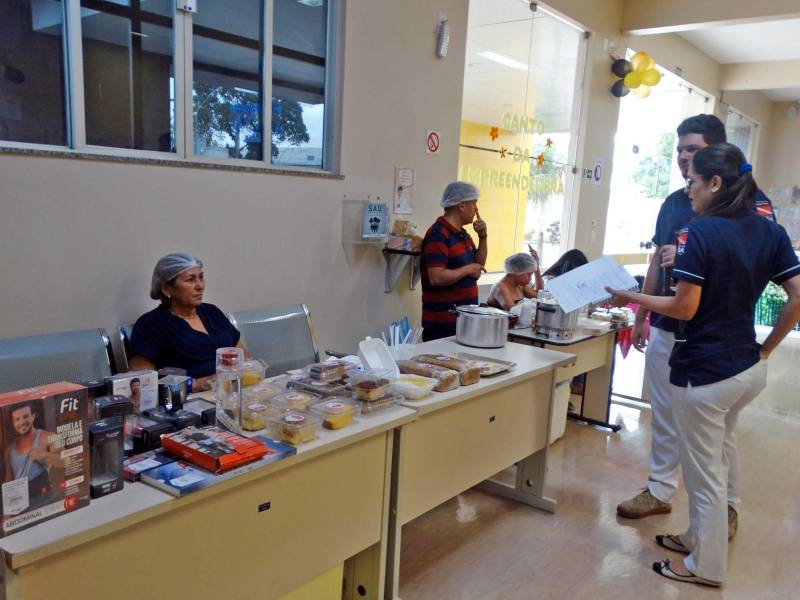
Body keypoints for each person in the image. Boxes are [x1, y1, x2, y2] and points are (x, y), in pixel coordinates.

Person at [607, 143, 800, 586]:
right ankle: (697, 537)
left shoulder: (699, 233)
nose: (688, 189)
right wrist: (767, 348)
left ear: (715, 183)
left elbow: (683, 308)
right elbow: (798, 294)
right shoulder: (768, 230)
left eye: (693, 180)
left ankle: (705, 567)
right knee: (717, 455)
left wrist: (630, 296)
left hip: (707, 374)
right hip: (747, 367)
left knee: (704, 476)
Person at [617, 114, 776, 522]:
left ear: (719, 157)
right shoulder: (676, 201)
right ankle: (659, 490)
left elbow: (754, 261)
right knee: (665, 416)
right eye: (680, 150)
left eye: (694, 150)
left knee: (719, 432)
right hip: (668, 324)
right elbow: (657, 256)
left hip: (718, 335)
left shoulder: (755, 207)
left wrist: (696, 259)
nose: (684, 158)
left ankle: (726, 509)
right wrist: (641, 315)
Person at [129, 253, 246, 391]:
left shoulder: (212, 312)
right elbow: (143, 384)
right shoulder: (150, 324)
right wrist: (199, 384)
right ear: (167, 288)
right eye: (190, 280)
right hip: (190, 403)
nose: (200, 286)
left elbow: (244, 356)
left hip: (235, 393)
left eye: (201, 278)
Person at [420, 182, 487, 341]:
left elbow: (478, 267)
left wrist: (483, 237)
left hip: (463, 322)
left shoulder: (463, 234)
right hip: (442, 325)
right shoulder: (438, 234)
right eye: (474, 204)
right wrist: (467, 269)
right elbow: (436, 277)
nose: (476, 210)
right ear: (462, 205)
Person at [3, 402, 63, 512]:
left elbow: (68, 460)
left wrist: (44, 455)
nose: (22, 422)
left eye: (25, 416)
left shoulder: (47, 437)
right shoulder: (9, 450)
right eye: (17, 419)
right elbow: (8, 480)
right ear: (13, 423)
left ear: (33, 416)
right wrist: (7, 512)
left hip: (45, 499)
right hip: (20, 504)